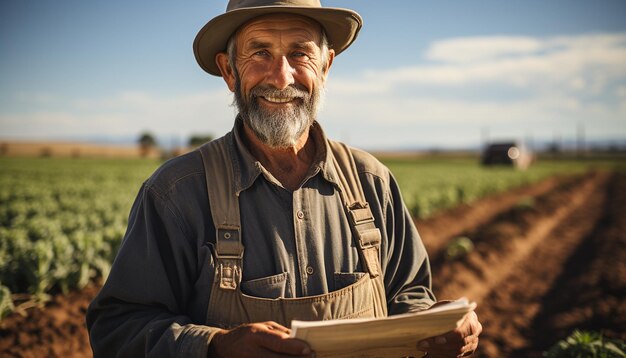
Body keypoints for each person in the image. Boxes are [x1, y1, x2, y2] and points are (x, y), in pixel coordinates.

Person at [86, 0, 482, 357]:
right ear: (229, 70)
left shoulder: (371, 181)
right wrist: (215, 346)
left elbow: (409, 295)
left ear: (325, 67)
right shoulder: (177, 193)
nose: (281, 77)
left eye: (300, 53)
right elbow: (117, 328)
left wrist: (437, 328)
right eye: (260, 53)